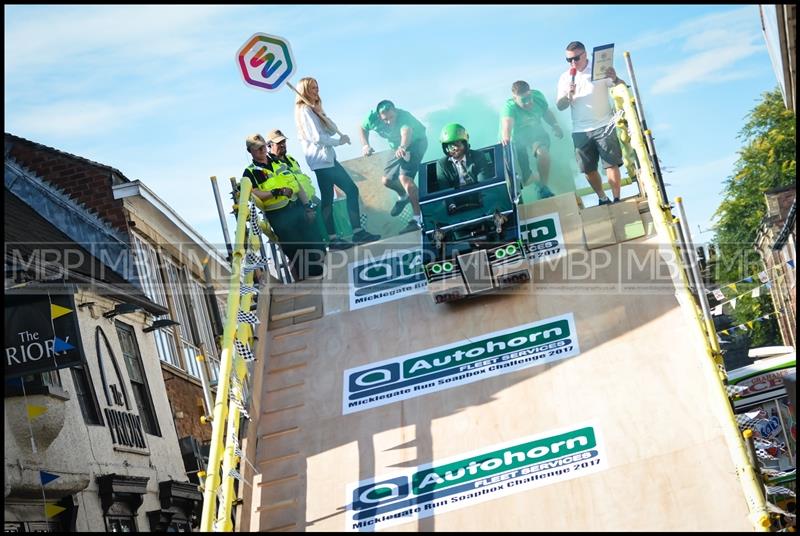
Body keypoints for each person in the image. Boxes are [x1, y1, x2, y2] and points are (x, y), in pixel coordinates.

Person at [294, 76, 381, 249]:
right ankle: (353, 233)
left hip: (327, 159)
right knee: (349, 190)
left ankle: (338, 238)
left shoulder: (313, 109)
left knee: (328, 198)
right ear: (304, 90)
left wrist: (321, 112)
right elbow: (317, 138)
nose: (316, 90)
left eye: (317, 87)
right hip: (322, 160)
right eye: (312, 88)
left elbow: (331, 129)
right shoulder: (304, 110)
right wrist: (339, 142)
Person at [243, 133, 324, 281]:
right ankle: (312, 282)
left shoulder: (279, 163)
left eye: (262, 147)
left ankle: (322, 276)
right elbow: (254, 193)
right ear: (250, 151)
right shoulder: (250, 172)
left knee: (315, 242)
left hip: (297, 207)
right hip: (279, 216)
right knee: (296, 250)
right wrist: (276, 192)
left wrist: (307, 206)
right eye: (257, 148)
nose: (261, 150)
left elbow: (297, 185)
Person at [556, 41, 626, 206]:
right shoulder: (565, 78)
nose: (573, 62)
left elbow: (620, 86)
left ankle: (616, 199)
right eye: (569, 60)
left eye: (576, 58)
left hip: (605, 124)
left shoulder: (599, 71)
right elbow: (560, 106)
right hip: (581, 129)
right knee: (588, 169)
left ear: (585, 55)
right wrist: (568, 95)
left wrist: (614, 78)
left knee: (611, 163)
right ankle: (602, 197)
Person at [359, 100, 428, 234]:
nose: (389, 121)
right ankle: (404, 196)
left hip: (416, 143)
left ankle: (418, 219)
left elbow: (406, 133)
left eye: (392, 117)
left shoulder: (404, 117)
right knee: (387, 180)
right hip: (396, 147)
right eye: (386, 119)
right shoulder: (371, 118)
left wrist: (403, 147)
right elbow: (362, 128)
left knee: (404, 178)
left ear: (395, 112)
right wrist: (365, 145)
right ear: (379, 117)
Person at [500, 80, 563, 199]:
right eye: (524, 100)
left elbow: (546, 112)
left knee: (543, 153)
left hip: (535, 133)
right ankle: (536, 181)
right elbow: (506, 125)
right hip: (516, 140)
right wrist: (506, 139)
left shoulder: (538, 97)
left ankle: (543, 188)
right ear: (514, 98)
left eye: (529, 97)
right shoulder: (509, 107)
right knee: (526, 180)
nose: (529, 102)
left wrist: (555, 125)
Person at [435, 123, 493, 191]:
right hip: (456, 200)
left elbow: (484, 185)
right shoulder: (442, 164)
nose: (455, 148)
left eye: (458, 143)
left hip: (478, 196)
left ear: (465, 143)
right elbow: (445, 192)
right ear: (446, 148)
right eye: (451, 146)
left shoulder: (478, 156)